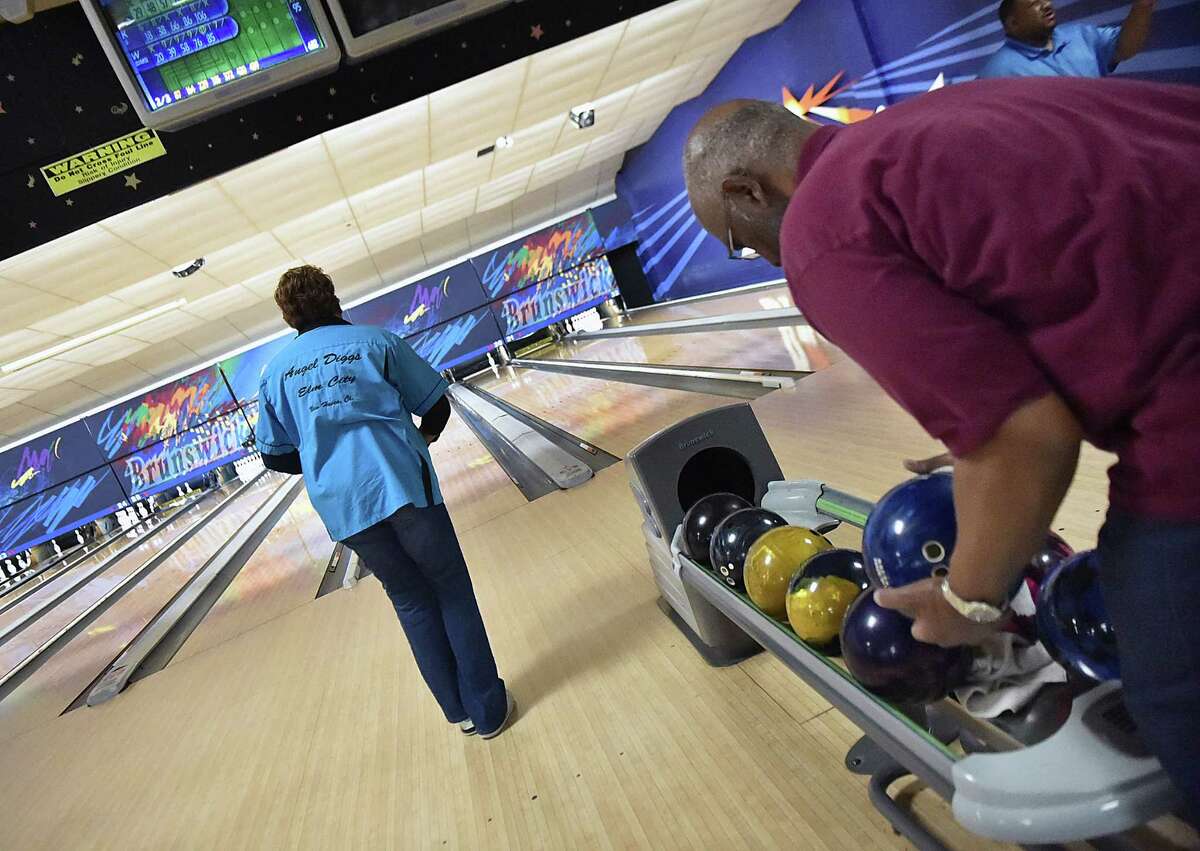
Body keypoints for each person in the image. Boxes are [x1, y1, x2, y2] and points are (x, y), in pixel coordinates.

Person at [681, 78, 1200, 818]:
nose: (756, 258)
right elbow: (1090, 277)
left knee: (1173, 675)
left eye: (734, 241)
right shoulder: (929, 123)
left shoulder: (819, 235)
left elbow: (1030, 441)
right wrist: (977, 436)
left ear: (747, 189)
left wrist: (968, 600)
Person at [255, 265, 515, 739]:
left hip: (345, 507)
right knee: (451, 590)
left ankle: (456, 712)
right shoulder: (378, 343)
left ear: (288, 316)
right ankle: (489, 710)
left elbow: (275, 456)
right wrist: (420, 441)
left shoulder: (275, 374)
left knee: (411, 601)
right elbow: (436, 404)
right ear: (333, 298)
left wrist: (320, 463)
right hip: (403, 486)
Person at [978, 0, 1155, 79]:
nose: (1046, 5)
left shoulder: (1081, 36)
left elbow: (1125, 48)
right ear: (1013, 23)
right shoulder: (997, 72)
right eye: (1034, 3)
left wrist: (1142, 7)